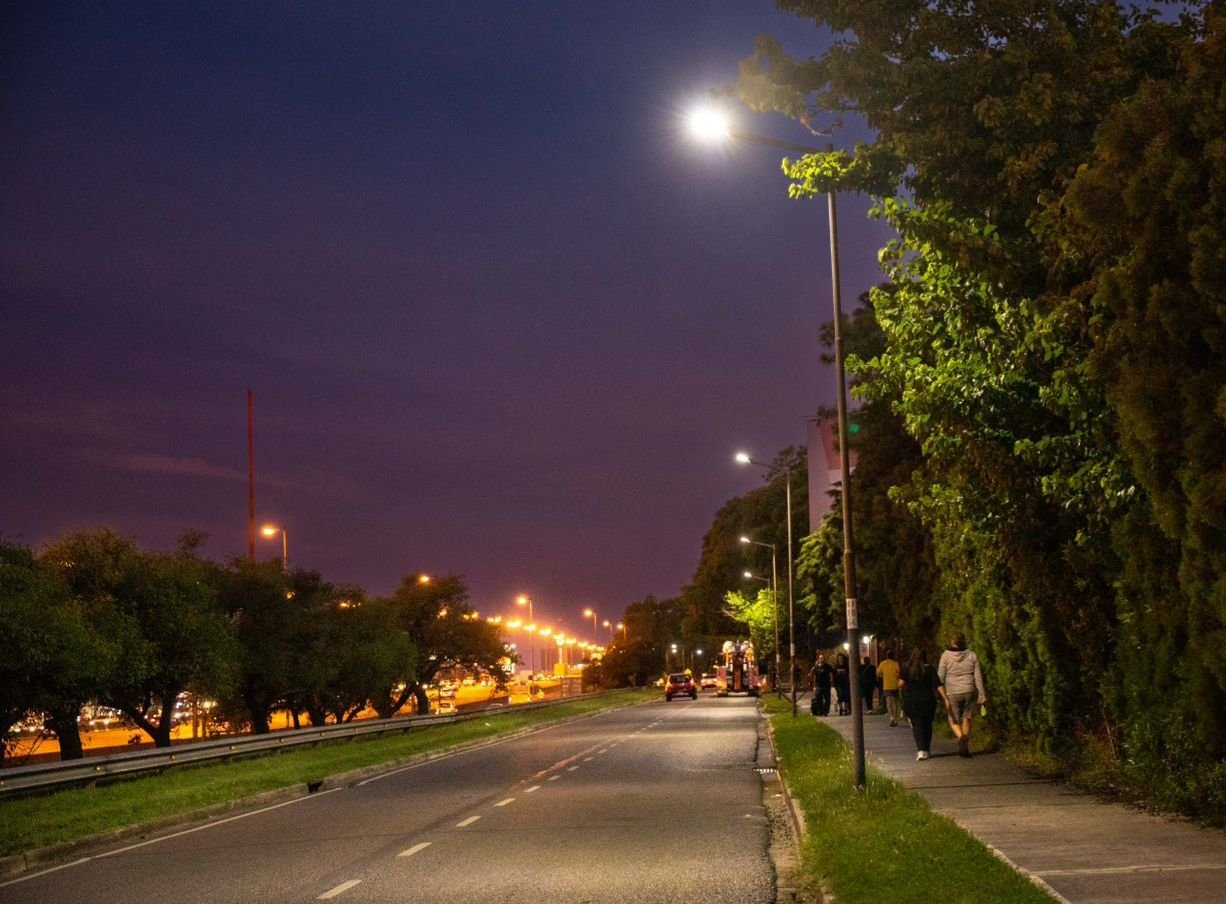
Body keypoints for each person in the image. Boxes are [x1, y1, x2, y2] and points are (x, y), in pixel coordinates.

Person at [937, 632, 987, 757]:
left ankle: (961, 737)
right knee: (967, 717)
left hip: (952, 692)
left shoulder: (945, 656)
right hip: (969, 690)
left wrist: (940, 693)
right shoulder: (972, 655)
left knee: (953, 719)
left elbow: (940, 677)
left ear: (952, 642)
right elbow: (978, 676)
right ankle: (965, 741)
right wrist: (981, 694)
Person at [899, 648, 944, 760]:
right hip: (928, 700)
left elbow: (900, 684)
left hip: (911, 700)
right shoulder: (929, 669)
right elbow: (937, 684)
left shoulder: (906, 667)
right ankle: (927, 749)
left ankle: (921, 750)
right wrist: (945, 698)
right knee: (927, 725)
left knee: (917, 726)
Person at [876, 648, 902, 726]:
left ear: (887, 656)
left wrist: (883, 676)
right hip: (895, 685)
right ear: (893, 656)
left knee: (888, 702)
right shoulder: (896, 663)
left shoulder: (882, 664)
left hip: (886, 685)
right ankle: (895, 718)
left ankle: (891, 717)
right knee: (894, 702)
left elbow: (878, 673)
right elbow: (899, 672)